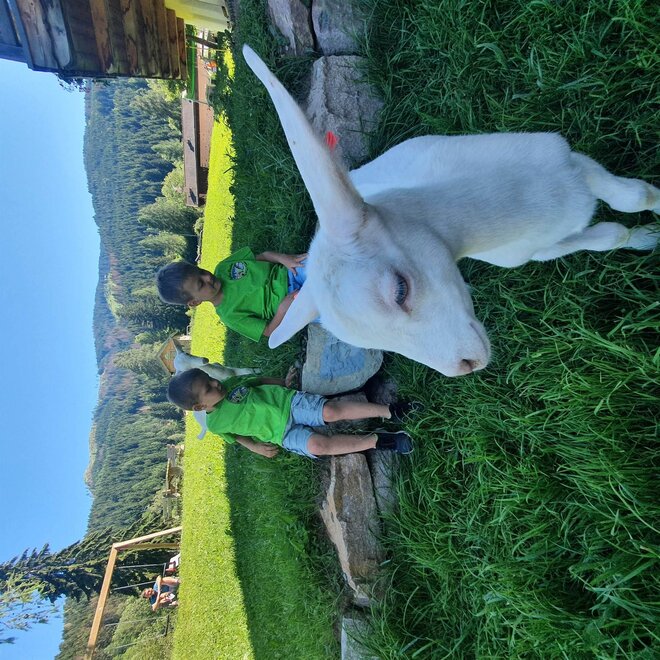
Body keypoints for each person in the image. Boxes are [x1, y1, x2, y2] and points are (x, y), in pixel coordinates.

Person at [166, 368, 416, 459]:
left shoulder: (231, 384)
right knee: (318, 446)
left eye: (210, 378)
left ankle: (391, 411)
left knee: (330, 411)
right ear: (199, 407)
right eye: (208, 388)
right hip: (279, 434)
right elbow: (235, 437)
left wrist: (283, 383)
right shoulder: (216, 425)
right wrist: (256, 447)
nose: (215, 383)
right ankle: (381, 441)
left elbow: (259, 380)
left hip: (288, 403)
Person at [156, 249, 308, 342]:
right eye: (201, 284)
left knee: (318, 265)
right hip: (290, 305)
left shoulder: (223, 267)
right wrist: (282, 310)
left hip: (291, 272)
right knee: (319, 304)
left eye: (201, 271)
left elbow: (263, 256)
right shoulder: (229, 316)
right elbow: (269, 331)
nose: (208, 277)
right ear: (195, 302)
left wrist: (284, 258)